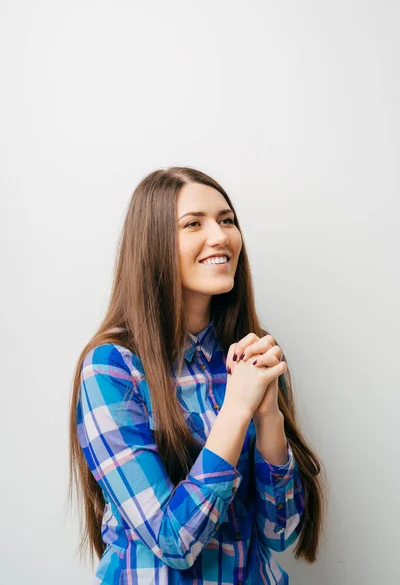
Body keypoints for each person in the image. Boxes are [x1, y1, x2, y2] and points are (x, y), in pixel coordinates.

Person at [68, 167, 325, 585]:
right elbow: (174, 542)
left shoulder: (249, 357)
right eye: (193, 224)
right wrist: (237, 409)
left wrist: (268, 416)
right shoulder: (112, 369)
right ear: (152, 246)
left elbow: (281, 532)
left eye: (227, 220)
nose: (221, 236)